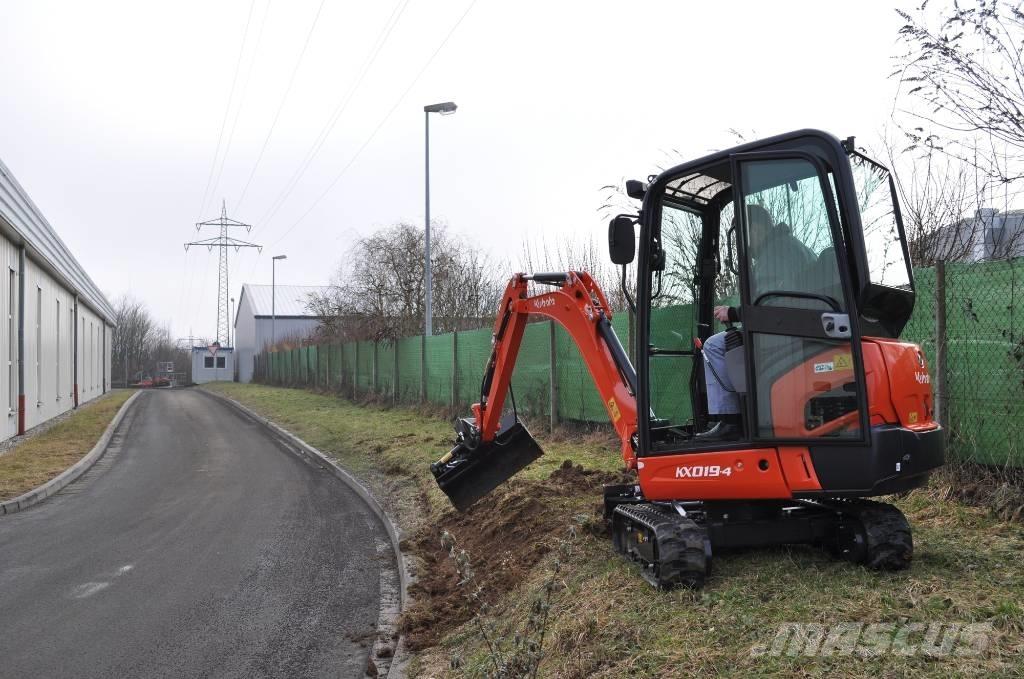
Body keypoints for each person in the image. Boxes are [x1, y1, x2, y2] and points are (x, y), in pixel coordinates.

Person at [696, 204, 816, 440]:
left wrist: (734, 313)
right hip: (796, 328)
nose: (746, 245)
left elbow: (770, 305)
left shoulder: (774, 254)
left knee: (714, 345)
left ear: (757, 229)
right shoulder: (794, 248)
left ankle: (731, 421)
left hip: (782, 334)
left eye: (744, 235)